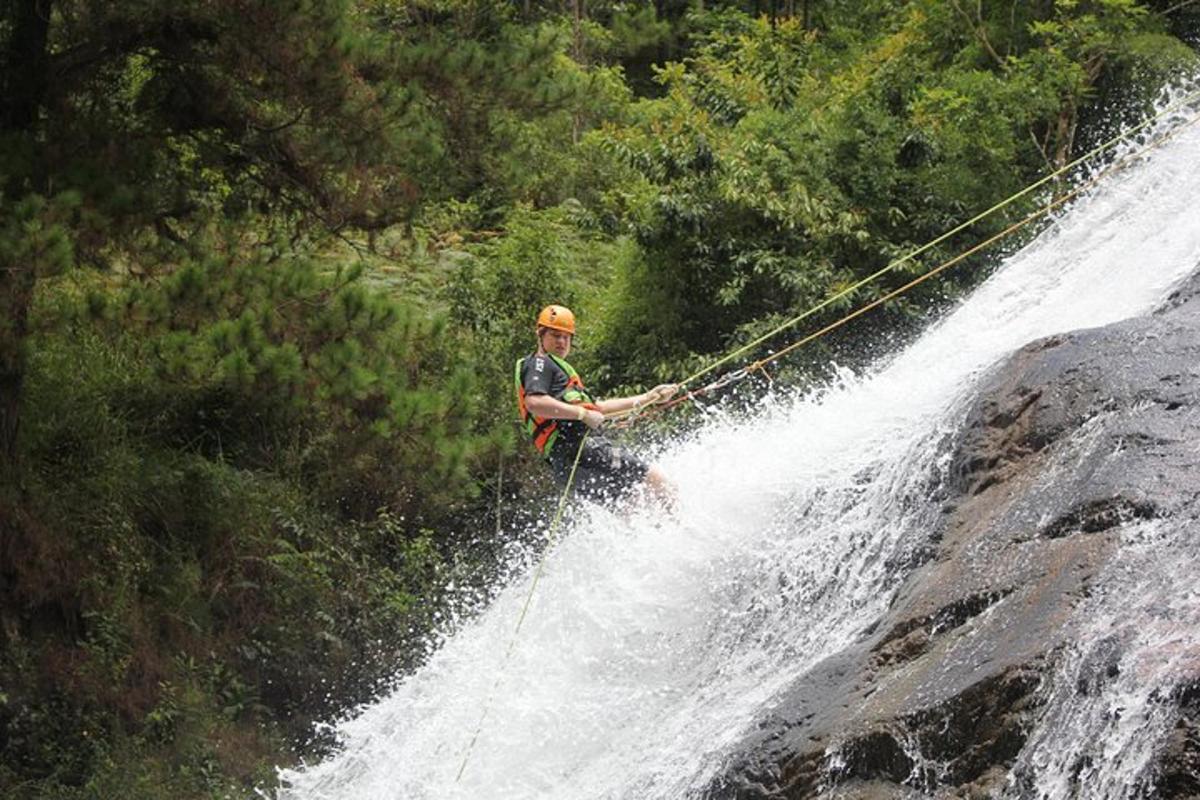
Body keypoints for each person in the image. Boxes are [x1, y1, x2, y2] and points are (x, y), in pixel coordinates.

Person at [515, 304, 679, 505]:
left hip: (567, 467)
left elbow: (598, 409)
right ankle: (687, 529)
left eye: (566, 337)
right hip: (580, 452)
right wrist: (581, 414)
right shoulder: (539, 363)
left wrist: (648, 398)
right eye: (555, 335)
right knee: (658, 479)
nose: (562, 342)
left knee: (632, 506)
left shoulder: (558, 373)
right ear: (540, 335)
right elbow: (535, 403)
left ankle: (663, 535)